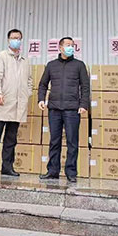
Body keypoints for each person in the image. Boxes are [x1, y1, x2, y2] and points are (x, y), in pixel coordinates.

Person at [38, 37, 90, 183]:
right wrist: (41, 99)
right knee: (54, 141)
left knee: (72, 141)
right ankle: (52, 171)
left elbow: (85, 87)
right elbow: (43, 84)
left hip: (72, 109)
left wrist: (83, 104)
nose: (70, 47)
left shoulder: (79, 65)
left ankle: (71, 172)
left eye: (72, 45)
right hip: (54, 109)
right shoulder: (51, 65)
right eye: (67, 45)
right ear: (60, 48)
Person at [0, 29, 32, 177]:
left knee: (11, 139)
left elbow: (29, 80)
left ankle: (7, 167)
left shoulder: (25, 60)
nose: (16, 40)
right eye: (13, 38)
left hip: (18, 105)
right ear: (8, 40)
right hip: (3, 102)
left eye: (18, 38)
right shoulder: (1, 56)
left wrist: (27, 93)